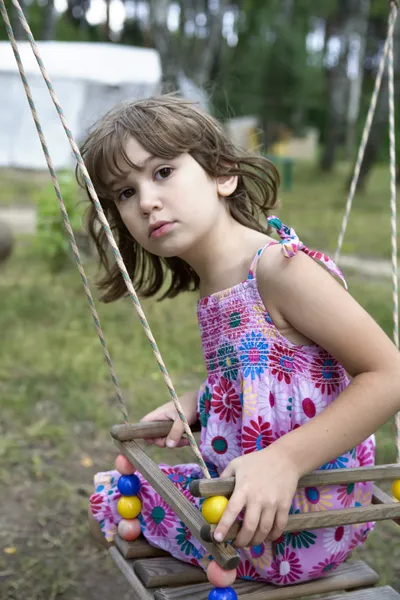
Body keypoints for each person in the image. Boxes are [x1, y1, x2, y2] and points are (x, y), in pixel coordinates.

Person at [83, 95, 400, 586]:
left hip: (296, 516)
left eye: (163, 171)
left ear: (223, 175)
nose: (146, 200)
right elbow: (277, 375)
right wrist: (200, 399)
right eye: (125, 192)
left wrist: (284, 461)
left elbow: (390, 374)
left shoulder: (278, 268)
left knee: (114, 494)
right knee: (134, 486)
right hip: (263, 498)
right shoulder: (220, 282)